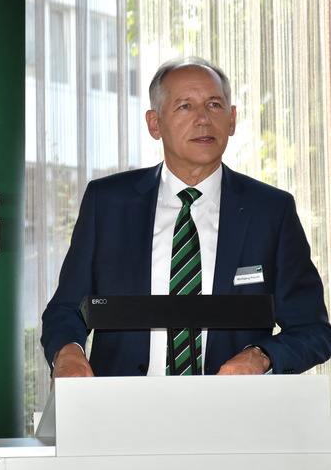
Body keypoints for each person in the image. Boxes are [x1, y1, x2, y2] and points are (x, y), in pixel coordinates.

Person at [41, 57, 331, 380]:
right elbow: (66, 309)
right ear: (155, 123)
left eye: (214, 105)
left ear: (232, 120)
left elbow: (313, 329)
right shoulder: (107, 203)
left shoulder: (271, 212)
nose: (203, 119)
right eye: (185, 107)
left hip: (231, 415)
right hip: (122, 415)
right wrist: (68, 352)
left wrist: (261, 356)